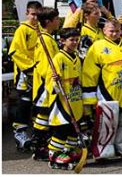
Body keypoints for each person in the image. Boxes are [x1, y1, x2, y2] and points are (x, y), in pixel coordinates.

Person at [82, 18, 122, 159]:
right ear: (104, 31)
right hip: (108, 93)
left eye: (117, 31)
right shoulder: (97, 47)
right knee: (108, 120)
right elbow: (89, 73)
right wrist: (90, 97)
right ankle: (103, 145)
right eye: (111, 31)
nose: (115, 33)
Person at [44, 28, 87, 170]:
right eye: (72, 40)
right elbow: (50, 83)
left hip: (75, 98)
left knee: (74, 128)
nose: (75, 42)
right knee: (62, 128)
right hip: (62, 100)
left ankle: (69, 150)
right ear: (62, 41)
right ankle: (54, 154)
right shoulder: (58, 58)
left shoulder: (76, 57)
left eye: (77, 39)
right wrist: (55, 81)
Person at [9, 1, 42, 150]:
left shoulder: (41, 28)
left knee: (37, 102)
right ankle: (20, 132)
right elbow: (15, 51)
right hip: (26, 73)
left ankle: (37, 132)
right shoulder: (22, 29)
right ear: (27, 13)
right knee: (24, 101)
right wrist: (30, 66)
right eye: (33, 14)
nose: (35, 17)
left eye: (38, 14)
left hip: (39, 72)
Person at [31, 7, 62, 160]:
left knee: (46, 115)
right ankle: (39, 146)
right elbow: (45, 67)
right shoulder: (44, 39)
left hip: (49, 84)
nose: (59, 21)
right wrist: (53, 82)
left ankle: (42, 144)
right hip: (46, 85)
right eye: (56, 19)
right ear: (48, 21)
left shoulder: (49, 38)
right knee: (43, 116)